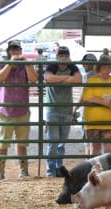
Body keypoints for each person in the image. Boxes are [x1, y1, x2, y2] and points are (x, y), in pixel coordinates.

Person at [0, 39, 38, 180]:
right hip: (5, 110)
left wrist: (27, 64)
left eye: (17, 49)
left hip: (22, 110)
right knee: (2, 143)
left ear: (21, 50)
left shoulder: (25, 65)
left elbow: (34, 79)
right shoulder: (1, 63)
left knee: (22, 143)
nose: (15, 52)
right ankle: (0, 171)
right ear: (8, 51)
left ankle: (23, 170)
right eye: (12, 49)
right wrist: (10, 63)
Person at [44, 46, 82, 176]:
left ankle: (58, 169)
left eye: (65, 56)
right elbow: (48, 78)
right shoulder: (52, 66)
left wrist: (58, 79)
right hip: (53, 109)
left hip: (66, 110)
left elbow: (79, 79)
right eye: (61, 56)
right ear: (57, 57)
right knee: (53, 141)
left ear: (68, 57)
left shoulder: (73, 67)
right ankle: (50, 170)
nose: (63, 58)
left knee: (61, 142)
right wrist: (67, 78)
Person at [82, 54, 111, 155]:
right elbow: (87, 97)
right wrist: (104, 102)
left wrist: (109, 99)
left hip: (110, 123)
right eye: (104, 67)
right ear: (99, 68)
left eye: (109, 67)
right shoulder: (91, 81)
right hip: (93, 123)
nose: (107, 70)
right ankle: (95, 170)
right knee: (94, 149)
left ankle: (106, 170)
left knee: (108, 150)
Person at [73, 53, 98, 156]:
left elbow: (83, 95)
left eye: (85, 63)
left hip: (88, 112)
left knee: (88, 142)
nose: (83, 66)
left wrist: (75, 108)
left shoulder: (89, 76)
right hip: (98, 112)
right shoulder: (100, 75)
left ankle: (89, 164)